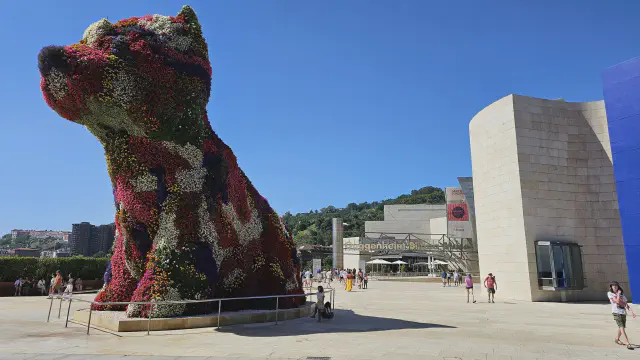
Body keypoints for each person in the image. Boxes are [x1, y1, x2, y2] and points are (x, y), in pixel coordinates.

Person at [609, 281, 636, 349]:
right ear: (611, 287)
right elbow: (617, 301)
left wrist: (632, 312)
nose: (615, 286)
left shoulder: (622, 295)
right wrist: (618, 294)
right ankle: (627, 342)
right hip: (616, 312)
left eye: (616, 285)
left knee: (621, 327)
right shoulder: (610, 294)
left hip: (623, 312)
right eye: (613, 285)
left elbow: (626, 304)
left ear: (618, 287)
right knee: (622, 327)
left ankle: (617, 339)